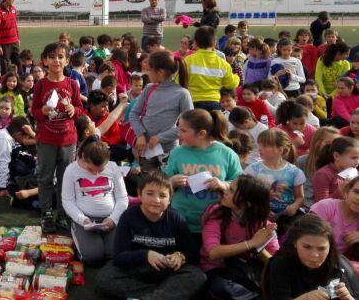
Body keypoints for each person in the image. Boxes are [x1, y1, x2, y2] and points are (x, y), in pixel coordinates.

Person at [96, 172, 206, 300]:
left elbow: (192, 252)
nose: (156, 200)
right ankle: (161, 295)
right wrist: (146, 255)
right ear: (139, 194)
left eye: (163, 195)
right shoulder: (128, 217)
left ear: (170, 199)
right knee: (105, 277)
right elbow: (119, 256)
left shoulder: (176, 218)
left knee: (197, 275)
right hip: (138, 267)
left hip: (167, 269)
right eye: (150, 194)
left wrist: (180, 256)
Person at [31, 42, 84, 233]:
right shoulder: (40, 85)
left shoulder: (72, 84)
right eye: (52, 57)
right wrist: (43, 111)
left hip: (68, 140)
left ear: (67, 60)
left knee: (65, 178)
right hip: (46, 139)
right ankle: (46, 213)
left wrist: (73, 109)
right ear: (45, 61)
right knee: (45, 177)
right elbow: (34, 111)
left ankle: (63, 213)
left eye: (61, 57)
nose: (56, 60)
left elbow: (80, 109)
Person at [165, 109, 243, 234]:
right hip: (180, 220)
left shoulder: (227, 154)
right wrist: (171, 182)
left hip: (216, 222)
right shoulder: (177, 153)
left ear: (201, 134)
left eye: (183, 131)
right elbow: (162, 183)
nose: (178, 134)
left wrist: (223, 184)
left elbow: (241, 184)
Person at [200, 174, 279, 300]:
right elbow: (213, 252)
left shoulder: (264, 225)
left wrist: (260, 247)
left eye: (231, 190)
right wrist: (251, 243)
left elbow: (276, 262)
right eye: (228, 187)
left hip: (247, 271)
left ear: (247, 203)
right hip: (216, 270)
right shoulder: (217, 213)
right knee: (224, 287)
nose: (225, 191)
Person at [61, 138, 128, 266]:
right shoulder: (71, 170)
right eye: (91, 169)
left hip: (110, 218)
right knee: (93, 257)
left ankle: (101, 241)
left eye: (101, 169)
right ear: (83, 157)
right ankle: (82, 238)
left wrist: (113, 219)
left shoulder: (113, 167)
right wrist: (83, 220)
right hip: (85, 220)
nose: (96, 173)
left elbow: (122, 198)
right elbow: (67, 201)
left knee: (114, 253)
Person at [263, 214, 359, 300]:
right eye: (307, 247)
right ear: (295, 243)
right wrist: (306, 298)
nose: (314, 255)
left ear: (330, 247)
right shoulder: (281, 263)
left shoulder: (336, 263)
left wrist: (348, 297)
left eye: (321, 248)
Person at [130, 51, 193, 171]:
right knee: (148, 184)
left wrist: (160, 137)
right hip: (146, 150)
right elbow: (133, 113)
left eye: (149, 70)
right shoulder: (149, 88)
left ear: (160, 72)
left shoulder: (182, 93)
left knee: (167, 185)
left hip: (168, 151)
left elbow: (189, 126)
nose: (147, 73)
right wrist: (140, 135)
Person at [245, 129, 305, 231]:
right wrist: (259, 209)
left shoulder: (294, 172)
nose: (260, 149)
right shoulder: (253, 169)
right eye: (260, 145)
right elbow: (245, 195)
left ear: (280, 150)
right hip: (259, 215)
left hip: (286, 218)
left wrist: (294, 206)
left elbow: (300, 197)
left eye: (265, 146)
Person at [185, 26, 240, 112]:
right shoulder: (223, 63)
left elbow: (178, 80)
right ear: (214, 43)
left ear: (195, 43)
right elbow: (231, 84)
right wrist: (236, 77)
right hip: (214, 103)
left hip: (193, 103)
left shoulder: (188, 61)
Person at [298, 126, 342, 208]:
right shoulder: (302, 161)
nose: (333, 148)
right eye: (329, 143)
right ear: (317, 143)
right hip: (305, 206)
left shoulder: (338, 165)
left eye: (336, 144)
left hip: (329, 207)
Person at [312, 136, 359, 203]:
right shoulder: (323, 174)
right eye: (353, 158)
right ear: (336, 156)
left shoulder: (355, 172)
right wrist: (340, 191)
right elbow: (321, 203)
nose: (357, 162)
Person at [0, 0, 20, 76]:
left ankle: (18, 85)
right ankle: (3, 86)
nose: (13, 0)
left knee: (18, 64)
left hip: (15, 42)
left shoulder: (13, 9)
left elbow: (15, 25)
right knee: (4, 67)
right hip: (4, 45)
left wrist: (18, 38)